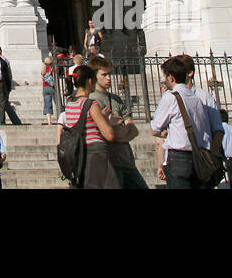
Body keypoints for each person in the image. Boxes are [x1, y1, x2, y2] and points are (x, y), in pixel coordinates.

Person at [59, 63, 130, 189]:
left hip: (79, 154)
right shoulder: (92, 105)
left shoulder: (70, 106)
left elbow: (83, 124)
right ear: (90, 81)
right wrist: (109, 121)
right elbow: (109, 135)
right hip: (95, 154)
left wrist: (100, 117)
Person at [149, 56, 214, 189]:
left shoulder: (170, 97)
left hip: (178, 156)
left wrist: (166, 133)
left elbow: (155, 128)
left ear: (171, 77)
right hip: (197, 156)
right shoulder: (196, 98)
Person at [87, 55, 147, 189]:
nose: (109, 78)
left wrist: (116, 134)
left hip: (126, 160)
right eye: (104, 74)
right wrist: (112, 128)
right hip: (109, 162)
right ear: (95, 76)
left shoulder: (116, 99)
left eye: (110, 74)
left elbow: (133, 129)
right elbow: (94, 132)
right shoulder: (91, 101)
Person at [42, 57, 57, 125]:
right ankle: (60, 118)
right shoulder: (52, 69)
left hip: (45, 87)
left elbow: (43, 79)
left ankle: (49, 122)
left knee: (47, 105)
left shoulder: (43, 70)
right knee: (57, 103)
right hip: (52, 87)